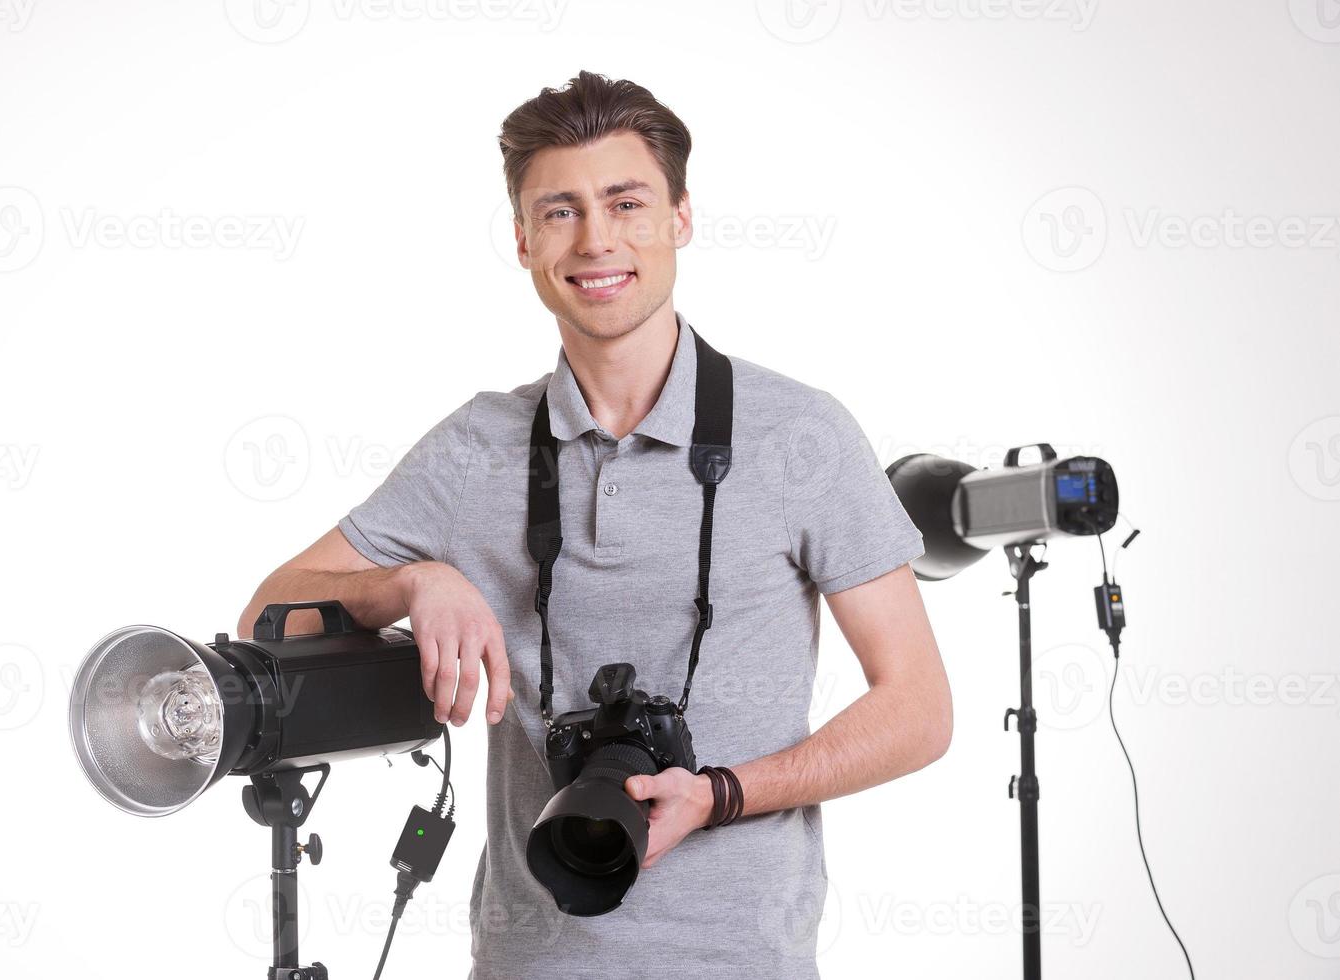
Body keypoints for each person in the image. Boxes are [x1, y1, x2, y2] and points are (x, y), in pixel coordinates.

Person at [238, 69, 952, 980]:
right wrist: (411, 581)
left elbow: (919, 710)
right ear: (524, 238)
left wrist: (723, 794)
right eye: (561, 210)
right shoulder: (476, 446)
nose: (596, 239)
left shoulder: (798, 434)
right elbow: (266, 614)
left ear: (680, 217)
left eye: (625, 201)